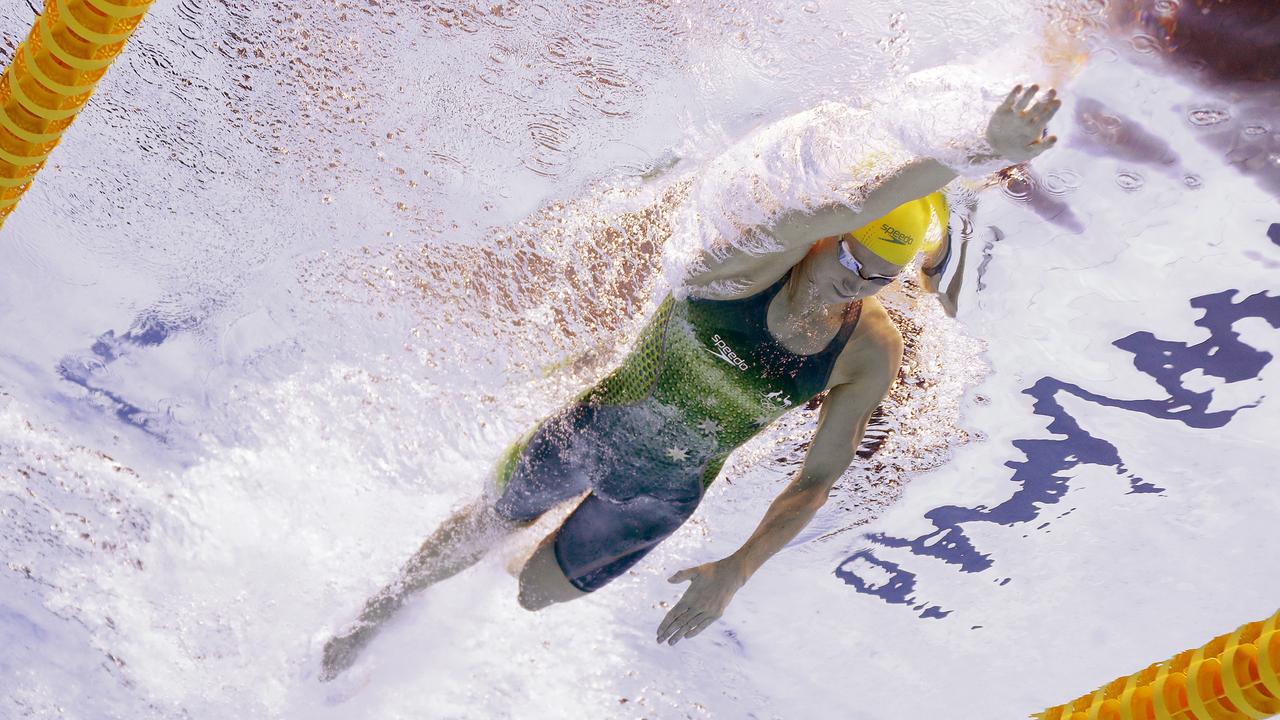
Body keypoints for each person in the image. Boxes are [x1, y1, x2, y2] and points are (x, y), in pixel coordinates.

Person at [319, 80, 1060, 680]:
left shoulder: (868, 347)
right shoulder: (740, 266)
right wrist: (972, 151)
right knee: (483, 525)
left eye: (880, 278)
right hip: (591, 430)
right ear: (828, 241)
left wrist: (737, 570)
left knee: (533, 595)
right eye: (851, 262)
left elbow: (816, 480)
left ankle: (523, 555)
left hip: (660, 495)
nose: (855, 285)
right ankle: (379, 606)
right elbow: (855, 205)